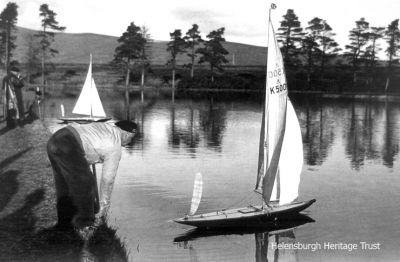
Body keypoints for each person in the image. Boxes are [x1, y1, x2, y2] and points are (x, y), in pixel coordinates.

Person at [46, 120, 137, 239]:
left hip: (55, 139)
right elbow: (107, 180)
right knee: (87, 183)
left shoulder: (106, 127)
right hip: (68, 144)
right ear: (127, 134)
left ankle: (64, 225)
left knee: (64, 186)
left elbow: (87, 145)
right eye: (131, 138)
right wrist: (103, 207)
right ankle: (86, 226)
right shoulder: (115, 145)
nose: (130, 142)